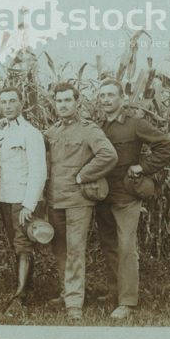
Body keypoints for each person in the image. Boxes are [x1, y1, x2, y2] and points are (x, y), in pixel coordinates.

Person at [96, 79, 170, 319]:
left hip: (127, 195)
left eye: (111, 95)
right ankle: (114, 292)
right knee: (109, 245)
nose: (106, 100)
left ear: (122, 98)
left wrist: (143, 167)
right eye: (102, 96)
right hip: (102, 195)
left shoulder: (135, 124)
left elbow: (166, 145)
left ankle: (128, 302)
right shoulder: (98, 127)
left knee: (127, 246)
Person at [44, 82, 118, 321]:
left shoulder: (89, 129)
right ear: (54, 103)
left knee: (75, 249)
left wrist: (84, 175)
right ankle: (67, 293)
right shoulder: (52, 132)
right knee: (60, 249)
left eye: (67, 100)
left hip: (78, 201)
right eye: (59, 101)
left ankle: (74, 303)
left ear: (77, 103)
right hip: (55, 200)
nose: (63, 105)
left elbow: (108, 155)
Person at [0, 86, 47, 312]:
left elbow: (38, 170)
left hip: (23, 199)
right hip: (5, 197)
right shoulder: (4, 131)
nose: (8, 106)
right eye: (3, 102)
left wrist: (28, 204)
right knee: (17, 244)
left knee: (24, 245)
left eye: (12, 101)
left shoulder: (30, 133)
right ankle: (25, 288)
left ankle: (20, 297)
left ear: (21, 103)